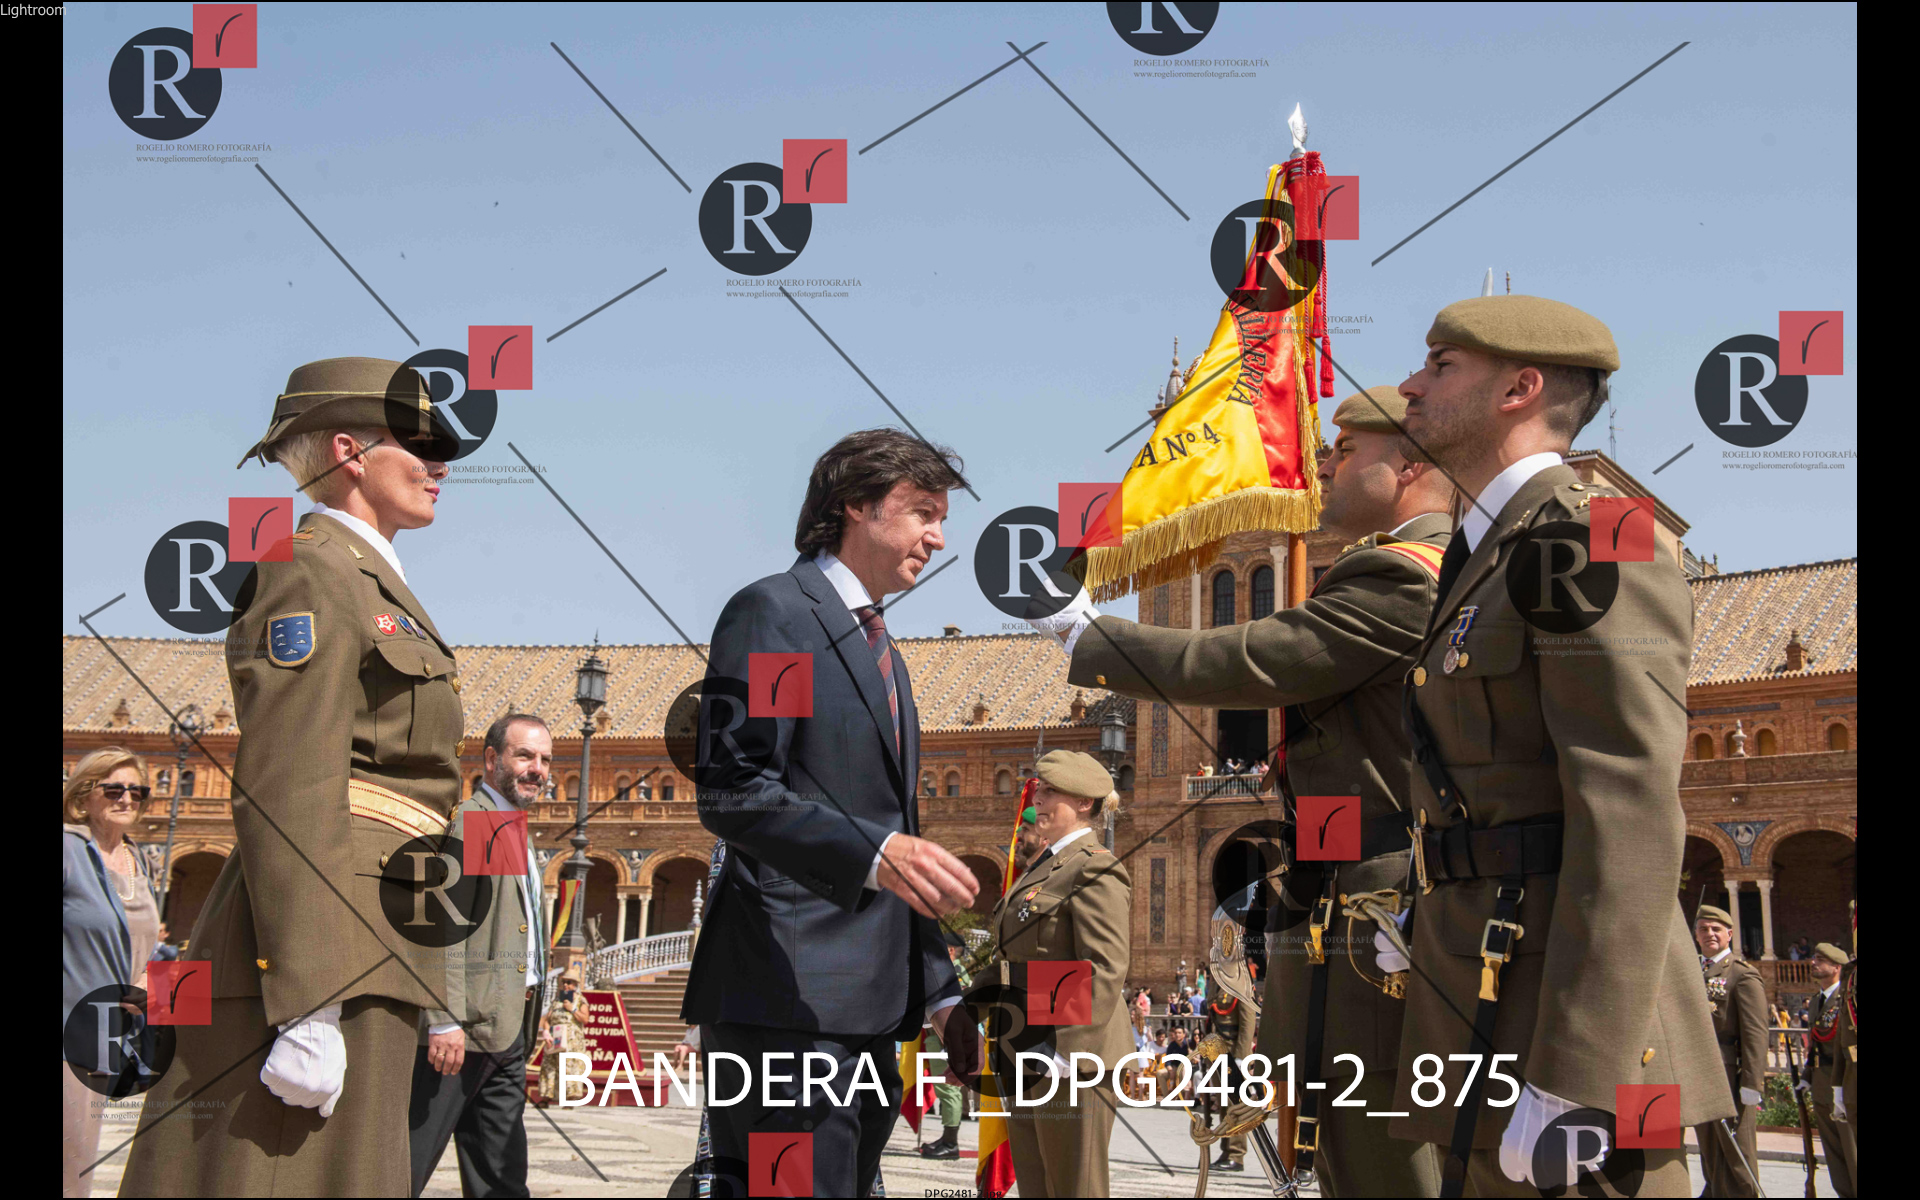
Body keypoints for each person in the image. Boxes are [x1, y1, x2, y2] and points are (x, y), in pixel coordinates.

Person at [1037, 383, 1456, 1195]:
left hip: (1376, 906)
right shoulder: (1415, 565)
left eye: (1345, 452)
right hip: (1348, 897)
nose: (1323, 468)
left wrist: (1084, 632)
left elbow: (1256, 657)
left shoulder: (1404, 574)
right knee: (1351, 1147)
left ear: (1408, 465)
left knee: (1383, 1158)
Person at [1387, 296, 1730, 1196]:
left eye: (1440, 366)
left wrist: (1580, 1075)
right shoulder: (1482, 553)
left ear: (1520, 389)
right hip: (1483, 1003)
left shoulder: (1591, 537)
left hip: (1571, 1035)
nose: (1409, 385)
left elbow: (1629, 812)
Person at [122, 357, 461, 1197]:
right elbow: (289, 779)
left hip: (375, 933)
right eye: (418, 445)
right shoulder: (309, 567)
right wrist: (310, 1000)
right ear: (350, 451)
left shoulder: (373, 580)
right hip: (328, 946)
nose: (440, 465)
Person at [682, 428, 980, 1198]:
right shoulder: (777, 616)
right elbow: (736, 784)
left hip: (870, 1015)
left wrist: (943, 996)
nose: (938, 538)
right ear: (855, 505)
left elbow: (901, 849)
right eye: (922, 513)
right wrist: (875, 852)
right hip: (785, 999)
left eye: (942, 518)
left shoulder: (888, 657)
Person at [408, 713, 556, 1197]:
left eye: (545, 760)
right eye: (525, 756)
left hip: (505, 1030)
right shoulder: (474, 822)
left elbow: (514, 931)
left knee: (501, 1175)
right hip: (461, 1034)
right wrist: (443, 1019)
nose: (537, 769)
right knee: (408, 1163)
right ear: (492, 759)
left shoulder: (510, 828)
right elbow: (442, 928)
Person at [990, 752, 1131, 1198]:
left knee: (1074, 1188)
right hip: (1026, 1044)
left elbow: (1104, 966)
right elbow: (1013, 960)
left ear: (1085, 803)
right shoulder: (1044, 865)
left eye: (1050, 791)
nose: (1038, 801)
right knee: (1036, 1186)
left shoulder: (1093, 866)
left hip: (1071, 1056)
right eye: (1039, 790)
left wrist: (1065, 1049)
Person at [62, 748, 161, 1198]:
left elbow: (146, 948)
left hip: (113, 1039)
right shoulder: (69, 849)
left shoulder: (140, 859)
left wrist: (155, 987)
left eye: (137, 792)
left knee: (82, 1162)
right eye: (114, 789)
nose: (127, 799)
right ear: (83, 795)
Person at [1691, 904, 1765, 1197]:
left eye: (1716, 929)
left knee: (1737, 1151)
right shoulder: (1692, 972)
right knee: (1709, 1148)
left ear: (1729, 935)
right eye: (1703, 929)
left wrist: (1752, 1082)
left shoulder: (1741, 974)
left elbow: (1755, 1033)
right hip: (1697, 1071)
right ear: (1696, 935)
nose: (1709, 934)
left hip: (1728, 1074)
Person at [1802, 943, 1855, 1197]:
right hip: (1821, 1085)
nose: (1813, 963)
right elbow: (1814, 1046)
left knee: (1851, 1150)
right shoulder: (1816, 1002)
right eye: (1814, 958)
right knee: (1833, 1151)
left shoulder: (1847, 1000)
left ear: (1836, 968)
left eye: (1821, 960)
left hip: (1844, 1084)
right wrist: (1806, 1077)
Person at [919, 943, 975, 1160]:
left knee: (948, 1088)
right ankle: (947, 1138)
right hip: (936, 1033)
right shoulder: (951, 970)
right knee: (946, 1088)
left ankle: (950, 1142)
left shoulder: (953, 971)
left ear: (951, 950)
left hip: (943, 1034)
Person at [1203, 981, 1255, 1174]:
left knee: (1235, 1105)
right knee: (1224, 1104)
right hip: (1216, 1051)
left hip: (1233, 1051)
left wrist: (1241, 1056)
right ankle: (1226, 1151)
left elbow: (1248, 1021)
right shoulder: (1216, 983)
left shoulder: (1240, 982)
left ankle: (1236, 1155)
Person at [537, 972, 587, 1107]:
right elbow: (547, 1019)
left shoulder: (580, 1000)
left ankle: (570, 1098)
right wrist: (546, 1031)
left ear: (575, 985)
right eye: (564, 982)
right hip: (556, 1037)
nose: (565, 985)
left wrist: (572, 1009)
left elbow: (585, 1019)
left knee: (570, 1067)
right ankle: (546, 1096)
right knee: (549, 1066)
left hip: (572, 1040)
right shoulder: (557, 1000)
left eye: (569, 982)